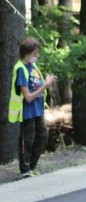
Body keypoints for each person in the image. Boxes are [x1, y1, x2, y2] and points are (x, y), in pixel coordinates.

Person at [8, 37, 57, 179]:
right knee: (27, 141)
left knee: (42, 136)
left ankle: (31, 167)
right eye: (35, 53)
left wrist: (47, 82)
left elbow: (37, 84)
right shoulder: (21, 69)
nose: (37, 56)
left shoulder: (33, 66)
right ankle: (25, 171)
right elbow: (28, 97)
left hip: (38, 110)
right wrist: (45, 85)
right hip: (27, 111)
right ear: (27, 53)